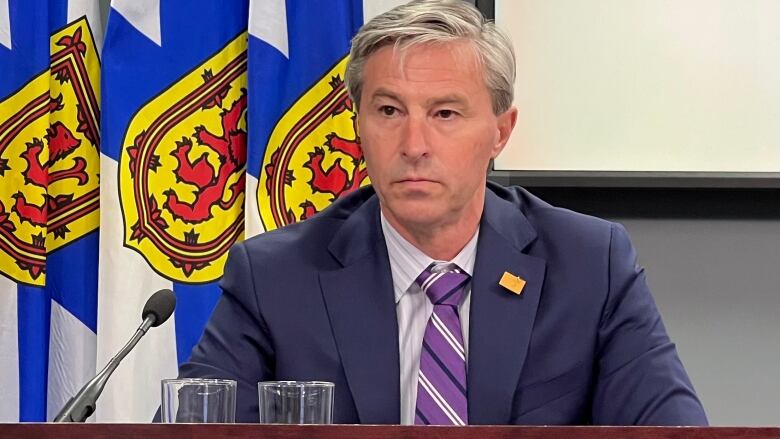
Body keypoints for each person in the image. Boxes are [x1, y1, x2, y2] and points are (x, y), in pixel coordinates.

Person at [178, 0, 708, 425]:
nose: (414, 143)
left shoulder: (590, 265)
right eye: (388, 111)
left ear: (501, 131)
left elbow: (673, 428)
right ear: (357, 125)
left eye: (445, 113)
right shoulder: (275, 277)